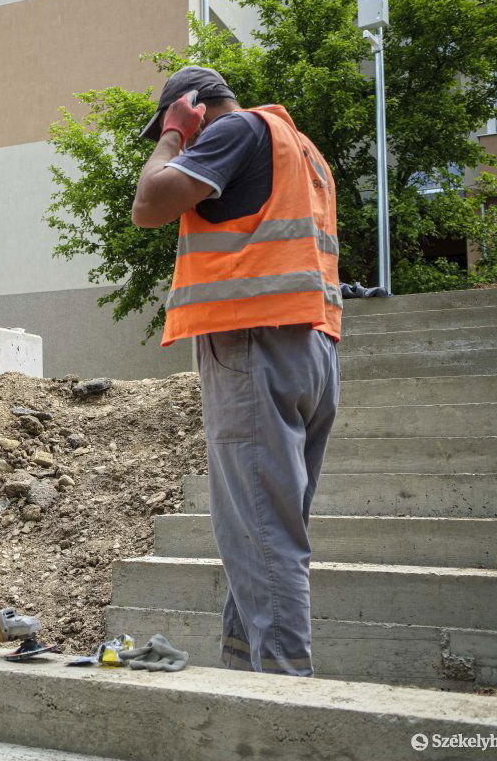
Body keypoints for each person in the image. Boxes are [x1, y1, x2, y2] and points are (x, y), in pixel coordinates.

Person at [130, 66, 342, 677]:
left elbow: (148, 205)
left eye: (173, 123)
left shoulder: (233, 130)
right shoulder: (300, 148)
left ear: (193, 106)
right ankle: (244, 670)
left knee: (263, 535)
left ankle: (282, 693)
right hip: (310, 345)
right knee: (263, 530)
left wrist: (174, 134)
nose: (176, 142)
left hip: (255, 344)